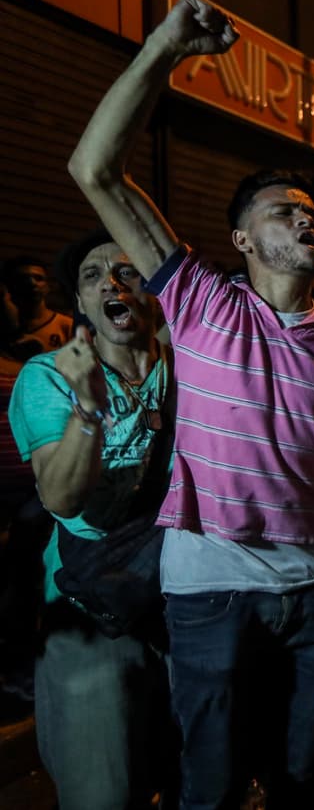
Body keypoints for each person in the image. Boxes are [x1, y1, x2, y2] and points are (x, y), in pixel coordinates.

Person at [67, 0, 314, 808]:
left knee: (299, 780)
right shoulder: (200, 300)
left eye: (311, 212)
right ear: (242, 241)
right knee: (212, 782)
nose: (305, 218)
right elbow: (94, 169)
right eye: (282, 211)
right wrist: (163, 47)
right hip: (209, 584)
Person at [9, 231, 176, 810]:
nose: (111, 281)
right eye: (92, 275)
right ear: (79, 305)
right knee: (104, 787)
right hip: (95, 606)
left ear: (152, 293)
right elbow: (60, 497)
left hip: (189, 599)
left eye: (128, 272)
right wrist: (87, 410)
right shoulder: (49, 375)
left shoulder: (184, 362)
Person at [1, 255, 74, 357]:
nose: (32, 283)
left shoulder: (68, 326)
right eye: (23, 278)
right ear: (9, 285)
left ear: (48, 286)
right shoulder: (5, 326)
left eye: (38, 278)